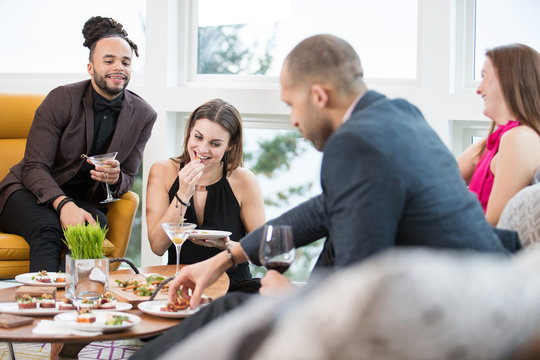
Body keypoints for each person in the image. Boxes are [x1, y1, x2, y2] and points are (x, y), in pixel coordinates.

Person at [130, 34, 519, 360]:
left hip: (441, 317)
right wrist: (225, 258)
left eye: (290, 105)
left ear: (318, 95)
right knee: (228, 310)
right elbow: (323, 208)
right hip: (474, 290)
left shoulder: (354, 142)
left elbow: (357, 286)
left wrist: (293, 296)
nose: (293, 120)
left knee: (227, 312)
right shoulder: (399, 114)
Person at [0, 16, 157, 272]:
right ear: (90, 67)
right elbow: (34, 166)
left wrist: (116, 179)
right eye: (109, 60)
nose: (119, 67)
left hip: (81, 199)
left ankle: (77, 302)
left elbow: (128, 176)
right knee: (48, 227)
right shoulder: (61, 99)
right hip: (24, 192)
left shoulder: (143, 114)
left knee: (95, 223)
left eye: (126, 62)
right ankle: (42, 305)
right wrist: (64, 205)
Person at [145, 99, 265, 291]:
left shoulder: (243, 180)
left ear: (230, 145)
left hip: (232, 286)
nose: (202, 149)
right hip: (182, 284)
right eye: (198, 137)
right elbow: (158, 246)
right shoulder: (162, 171)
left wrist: (226, 245)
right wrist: (183, 193)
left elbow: (261, 252)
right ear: (190, 132)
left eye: (215, 144)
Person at [458, 44, 540, 226]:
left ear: (508, 79)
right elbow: (441, 176)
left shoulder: (519, 139)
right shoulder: (496, 140)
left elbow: (494, 226)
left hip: (485, 251)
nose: (478, 89)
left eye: (484, 76)